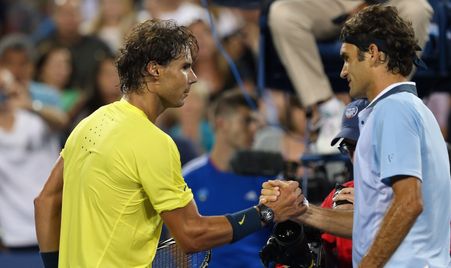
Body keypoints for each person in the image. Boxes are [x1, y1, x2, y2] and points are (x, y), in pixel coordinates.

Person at [34, 19, 306, 268]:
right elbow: (191, 234)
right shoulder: (153, 141)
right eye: (185, 67)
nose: (194, 77)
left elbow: (45, 202)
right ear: (154, 70)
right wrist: (266, 213)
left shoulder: (89, 124)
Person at [261, 5, 451, 267]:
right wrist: (302, 209)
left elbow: (409, 203)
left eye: (347, 58)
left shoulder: (394, 109)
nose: (343, 71)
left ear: (372, 54)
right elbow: (370, 223)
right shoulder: (410, 109)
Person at [268, 0, 432, 154]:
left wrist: (369, 4)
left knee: (417, 9)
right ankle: (328, 111)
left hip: (384, 3)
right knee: (282, 14)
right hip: (331, 5)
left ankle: (385, 104)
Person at [183, 90, 270, 267]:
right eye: (247, 121)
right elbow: (177, 244)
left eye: (255, 122)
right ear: (221, 123)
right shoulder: (189, 177)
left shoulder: (266, 178)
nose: (254, 129)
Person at [320, 98, 368, 268]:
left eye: (362, 145)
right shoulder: (340, 195)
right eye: (349, 147)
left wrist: (367, 214)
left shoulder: (411, 192)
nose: (355, 157)